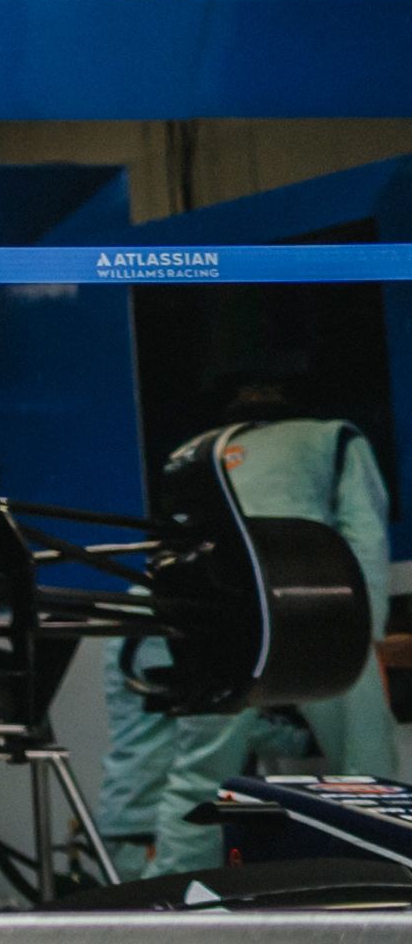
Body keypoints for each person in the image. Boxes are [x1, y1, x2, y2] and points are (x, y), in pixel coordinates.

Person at [105, 372, 408, 880]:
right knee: (363, 768)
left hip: (220, 623)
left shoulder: (193, 451)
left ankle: (173, 902)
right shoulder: (334, 436)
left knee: (201, 773)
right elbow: (364, 534)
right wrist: (367, 637)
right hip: (317, 612)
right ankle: (375, 889)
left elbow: (180, 549)